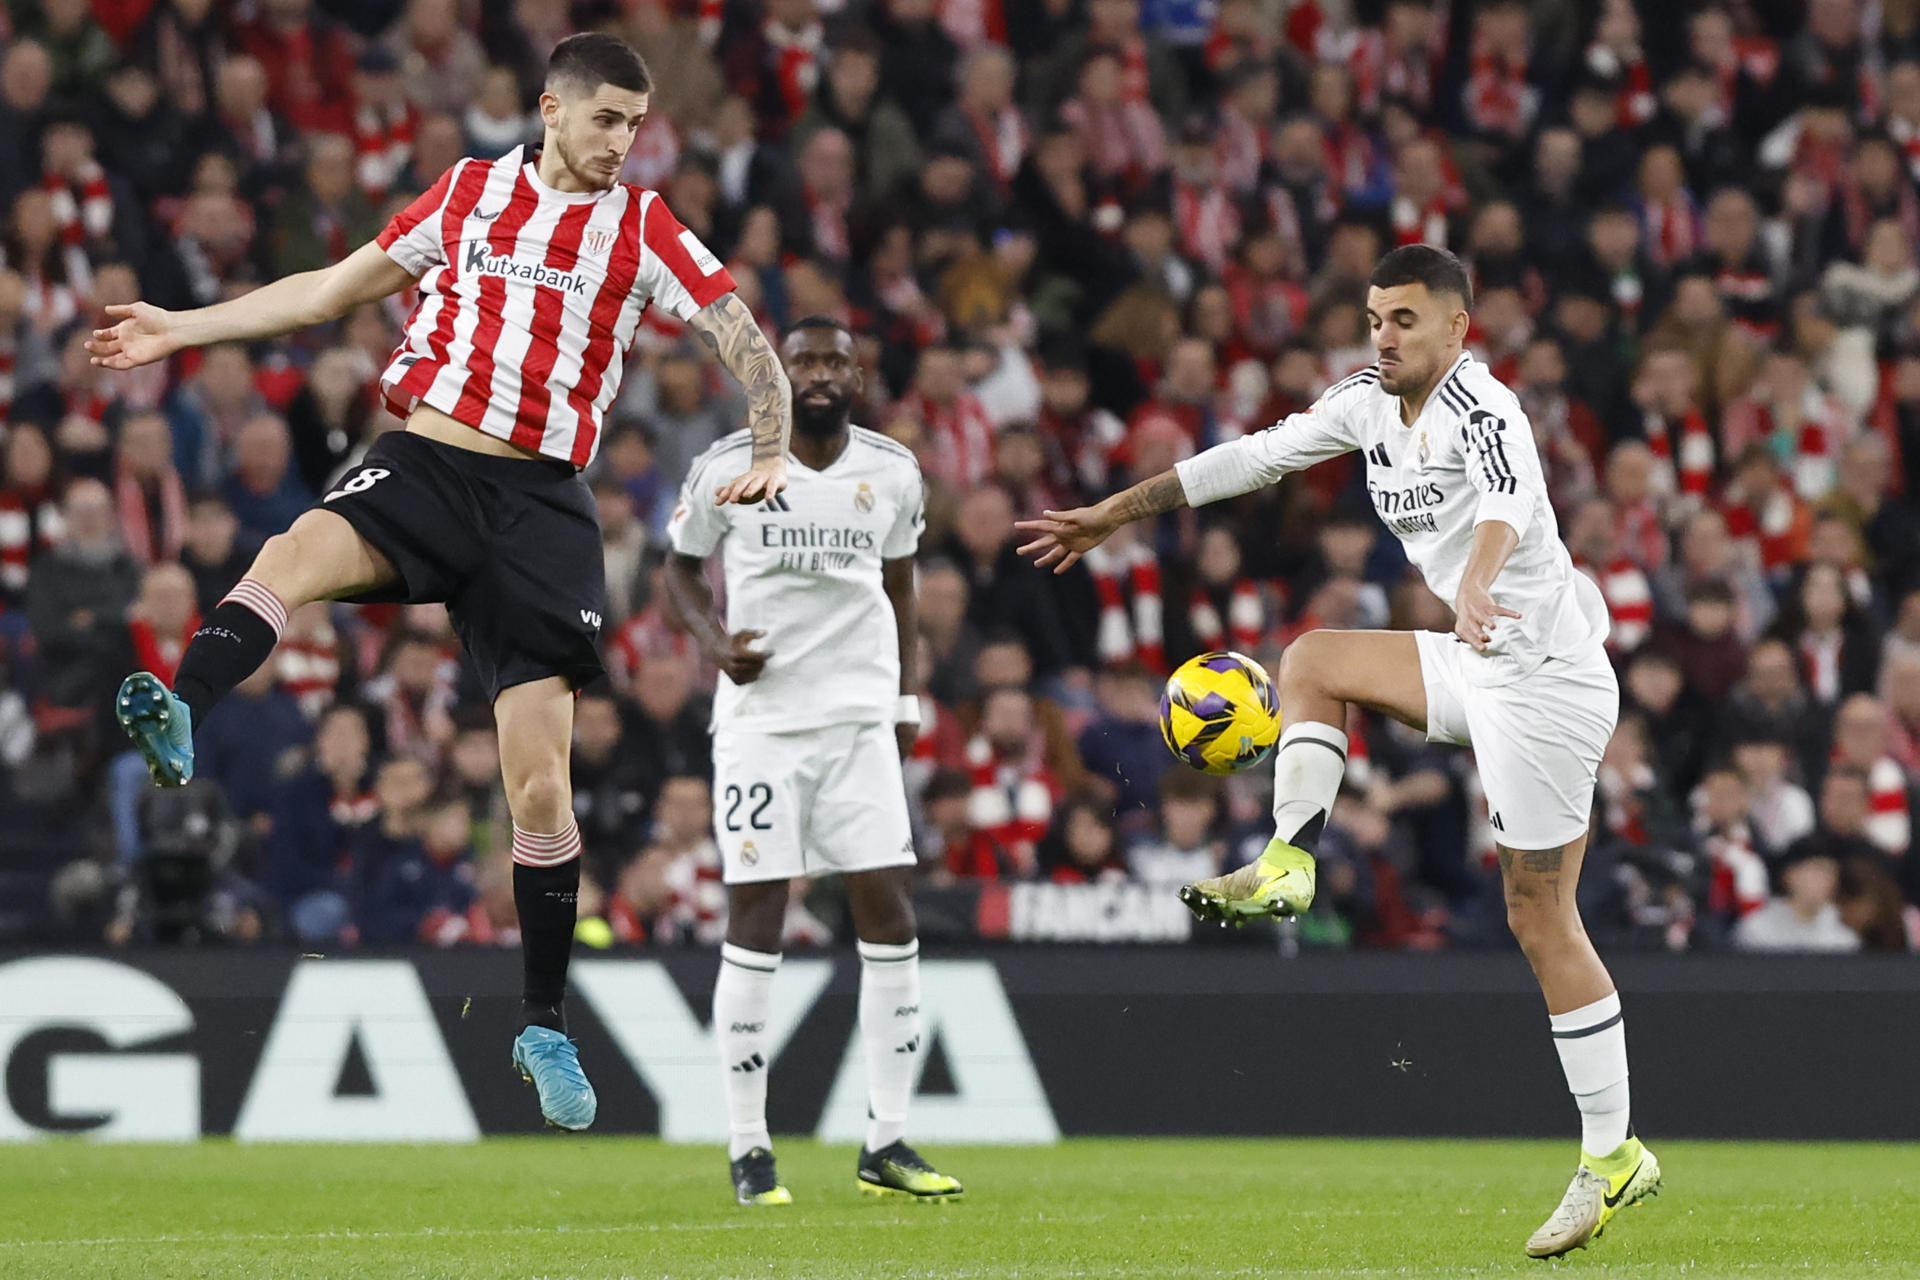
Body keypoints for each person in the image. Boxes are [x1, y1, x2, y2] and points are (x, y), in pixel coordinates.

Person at [90, 33, 793, 1133]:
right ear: (551, 107)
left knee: (542, 791)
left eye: (634, 125)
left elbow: (741, 336)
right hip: (424, 458)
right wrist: (181, 326)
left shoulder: (643, 226)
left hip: (541, 508)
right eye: (605, 118)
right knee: (290, 556)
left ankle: (542, 1021)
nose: (622, 142)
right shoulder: (467, 193)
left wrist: (772, 438)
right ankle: (182, 703)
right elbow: (330, 289)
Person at [1017, 245, 1658, 1257]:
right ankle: (1289, 858)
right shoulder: (1365, 401)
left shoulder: (1485, 410)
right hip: (1473, 658)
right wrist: (1115, 513)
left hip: (1541, 684)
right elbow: (1254, 456)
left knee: (1540, 915)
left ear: (1458, 324)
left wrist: (1482, 581)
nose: (1386, 336)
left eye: (1405, 319)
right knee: (1312, 657)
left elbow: (1505, 506)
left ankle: (1612, 1152)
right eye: (1374, 318)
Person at [664, 316, 962, 1207]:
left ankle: (888, 1139)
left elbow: (902, 585)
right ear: (776, 377)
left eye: (836, 360)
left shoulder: (894, 471)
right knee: (758, 911)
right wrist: (716, 643)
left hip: (860, 719)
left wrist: (906, 700)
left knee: (889, 908)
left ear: (858, 378)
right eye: (804, 362)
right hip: (763, 725)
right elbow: (677, 571)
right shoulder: (727, 466)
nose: (821, 374)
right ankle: (749, 1145)